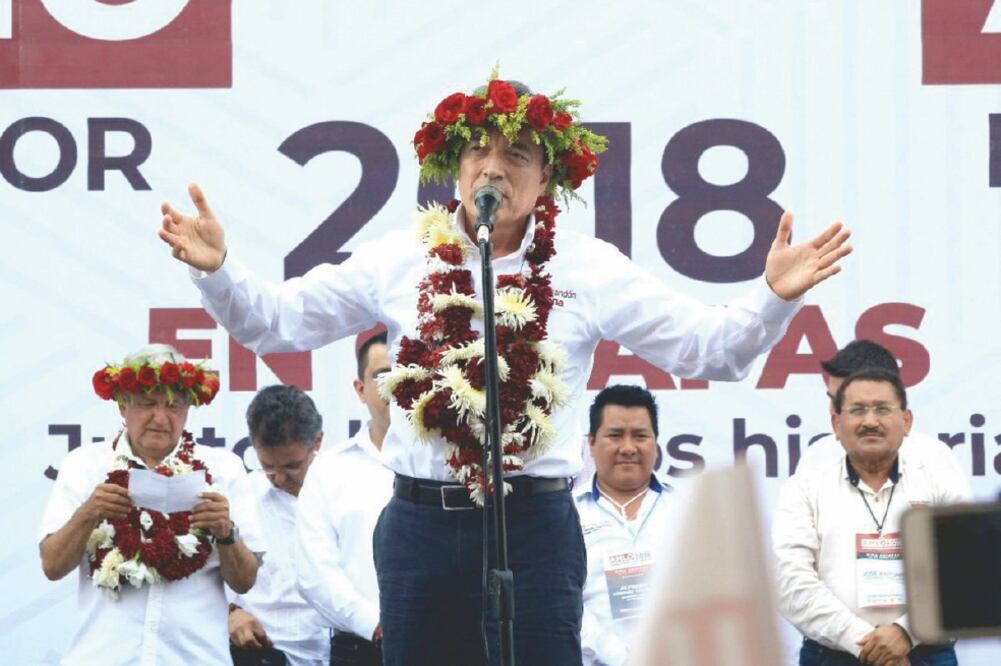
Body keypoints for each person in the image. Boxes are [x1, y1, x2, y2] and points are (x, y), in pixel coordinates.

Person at [159, 72, 852, 665]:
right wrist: (219, 272)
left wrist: (772, 297)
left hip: (534, 527)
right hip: (420, 526)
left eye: (515, 154)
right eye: (477, 152)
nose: (492, 168)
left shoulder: (586, 268)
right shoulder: (399, 258)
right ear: (456, 168)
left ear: (545, 177)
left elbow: (711, 350)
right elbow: (279, 323)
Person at [39, 344, 263, 666]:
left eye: (174, 406)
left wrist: (226, 532)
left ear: (188, 410)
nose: (160, 418)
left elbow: (245, 581)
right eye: (147, 404)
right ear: (122, 405)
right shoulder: (84, 465)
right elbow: (52, 566)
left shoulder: (224, 469)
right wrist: (88, 513)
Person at [773, 368, 971, 666]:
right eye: (857, 410)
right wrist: (868, 644)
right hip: (833, 654)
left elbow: (966, 571)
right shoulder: (804, 487)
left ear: (906, 421)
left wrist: (906, 633)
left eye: (882, 409)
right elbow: (789, 582)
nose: (870, 421)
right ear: (836, 424)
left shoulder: (939, 482)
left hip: (927, 652)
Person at [295, 330, 393, 665]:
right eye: (383, 374)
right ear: (360, 389)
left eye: (406, 371)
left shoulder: (452, 466)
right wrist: (376, 625)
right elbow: (314, 573)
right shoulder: (330, 470)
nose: (396, 384)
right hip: (360, 646)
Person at [227, 384, 330, 666]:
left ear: (317, 442)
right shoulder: (239, 498)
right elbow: (209, 578)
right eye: (269, 467)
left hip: (349, 649)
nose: (280, 478)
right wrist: (230, 613)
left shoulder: (347, 491)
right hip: (266, 652)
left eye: (292, 466)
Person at [575, 385, 672, 666]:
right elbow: (563, 601)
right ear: (591, 443)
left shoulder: (689, 509)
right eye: (615, 435)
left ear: (655, 441)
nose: (628, 448)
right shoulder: (566, 516)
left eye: (640, 436)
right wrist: (618, 657)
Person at [795, 339, 968, 481]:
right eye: (832, 399)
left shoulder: (935, 459)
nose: (833, 410)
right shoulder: (816, 458)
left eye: (845, 401)